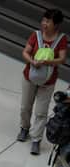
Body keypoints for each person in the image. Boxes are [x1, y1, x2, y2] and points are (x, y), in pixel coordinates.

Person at [20, 9, 67, 157]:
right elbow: (25, 52)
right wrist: (32, 61)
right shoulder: (36, 35)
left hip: (48, 81)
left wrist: (47, 62)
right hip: (29, 76)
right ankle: (24, 128)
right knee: (25, 106)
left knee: (41, 111)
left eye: (48, 21)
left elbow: (62, 59)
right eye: (44, 20)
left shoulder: (61, 39)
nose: (44, 24)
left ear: (56, 24)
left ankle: (36, 139)